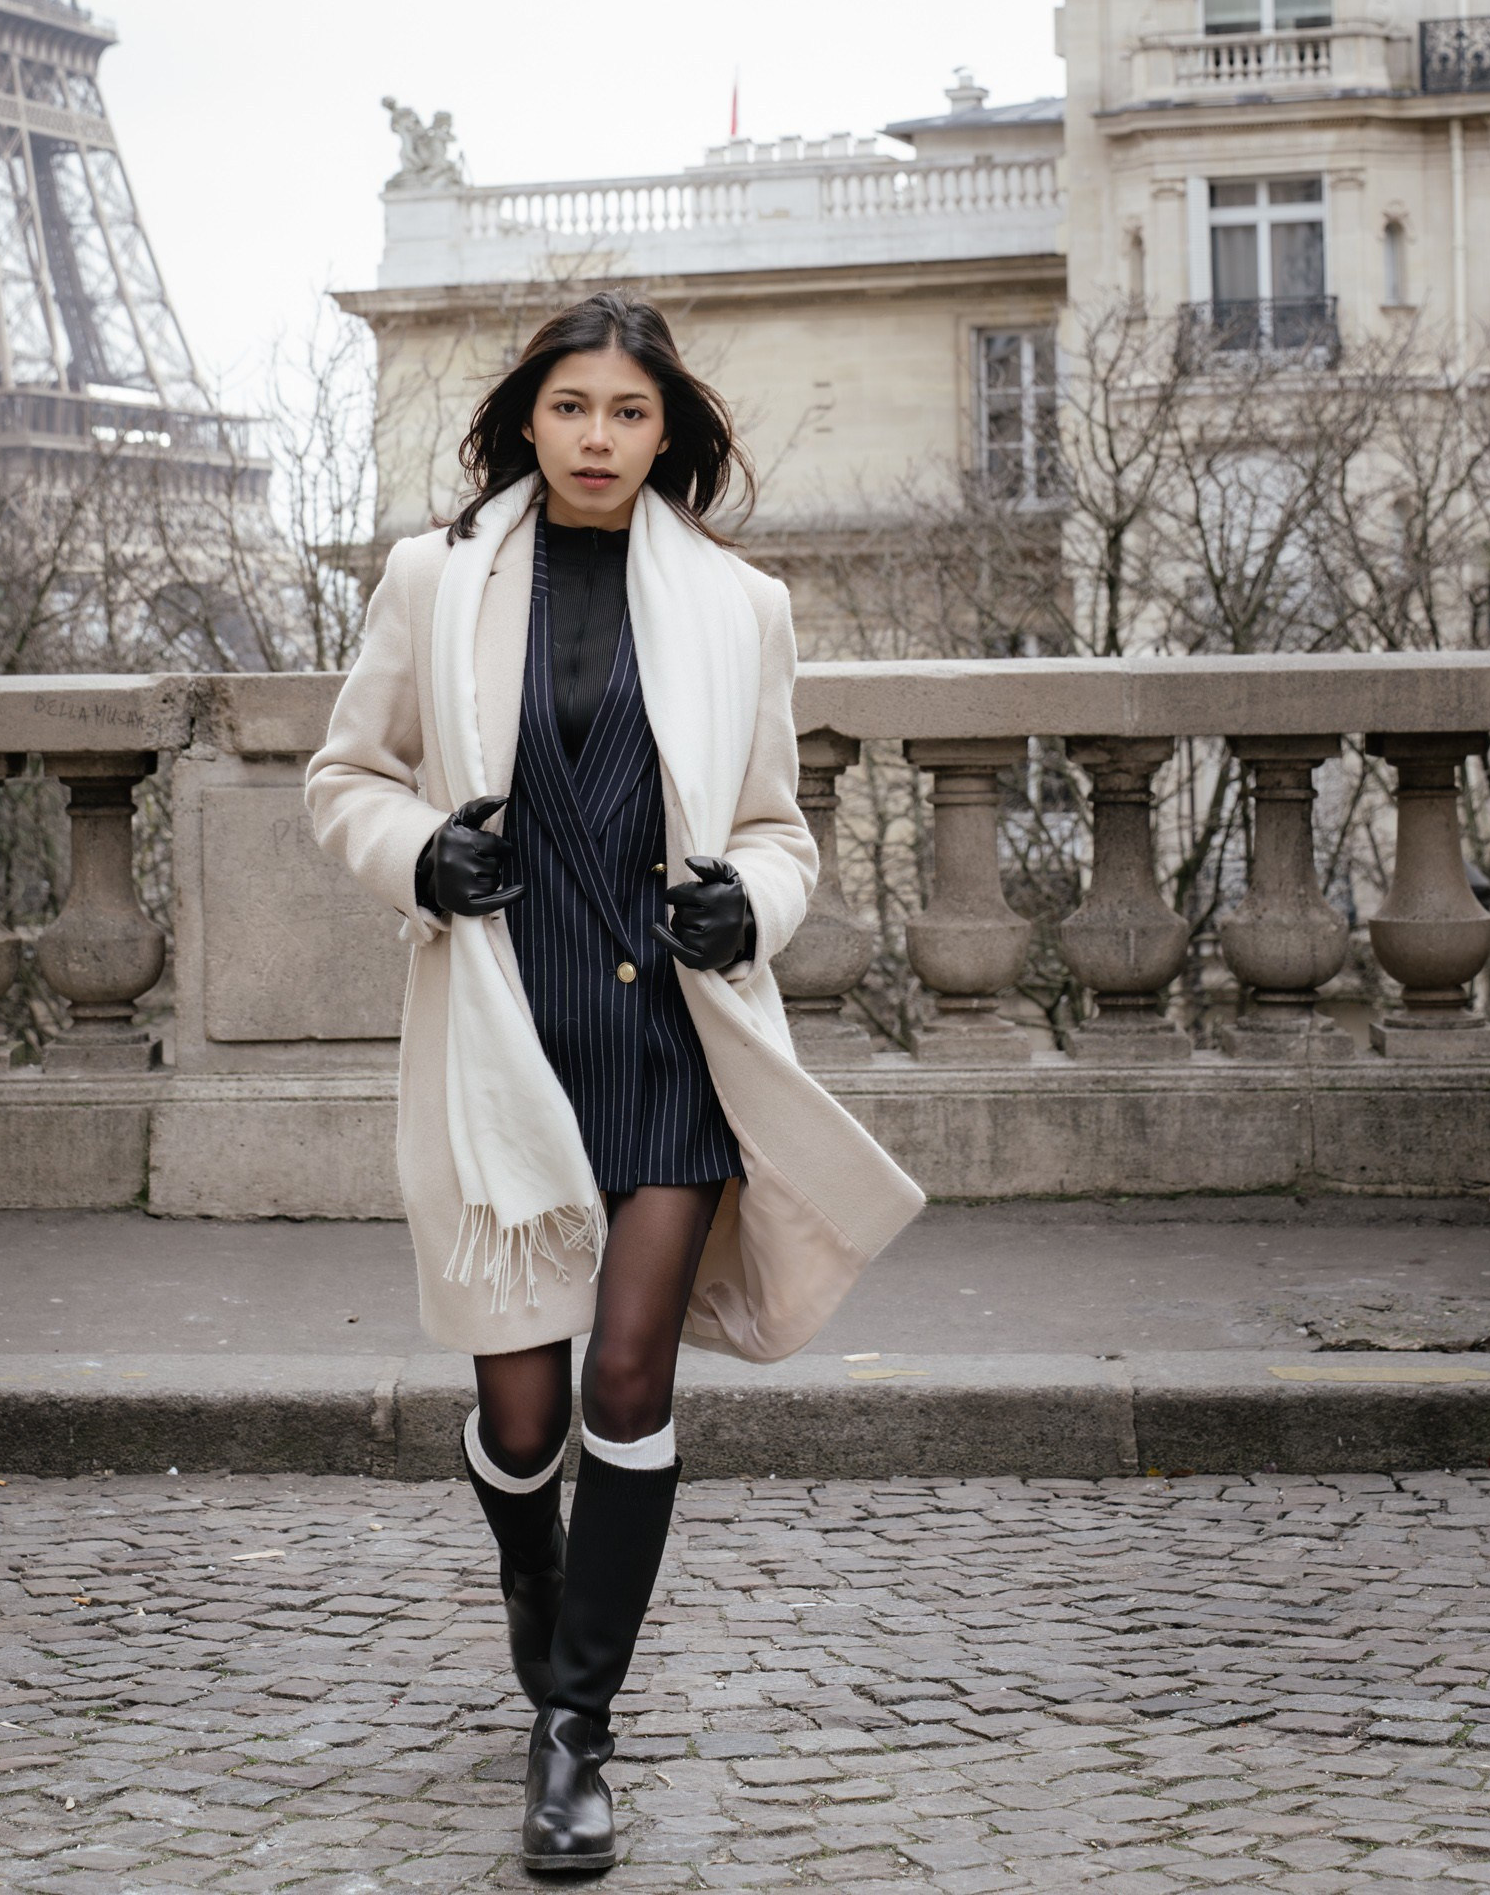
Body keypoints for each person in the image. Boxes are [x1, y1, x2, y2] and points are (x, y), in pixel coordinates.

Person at [307, 291, 922, 1874]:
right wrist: (419, 857)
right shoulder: (434, 580)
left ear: (669, 432)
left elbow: (779, 829)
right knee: (522, 1423)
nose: (598, 437)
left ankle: (573, 1730)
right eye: (572, 407)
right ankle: (536, 1562)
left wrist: (751, 906)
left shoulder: (739, 604)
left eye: (629, 412)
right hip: (507, 1033)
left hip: (668, 1039)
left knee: (628, 1384)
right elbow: (346, 777)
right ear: (528, 418)